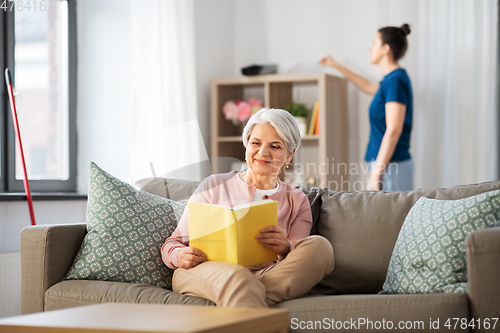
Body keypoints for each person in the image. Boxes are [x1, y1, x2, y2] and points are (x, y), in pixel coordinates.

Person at [161, 108, 334, 308]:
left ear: (289, 154)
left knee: (320, 248)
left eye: (275, 146)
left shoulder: (297, 200)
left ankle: (245, 295)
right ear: (246, 146)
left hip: (265, 274)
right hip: (204, 271)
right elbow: (171, 244)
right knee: (237, 277)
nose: (263, 152)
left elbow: (298, 254)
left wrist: (286, 247)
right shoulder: (213, 185)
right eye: (256, 143)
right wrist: (179, 255)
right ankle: (247, 292)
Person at [320, 24, 414, 191]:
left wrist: (376, 174)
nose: (370, 48)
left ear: (385, 48)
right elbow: (368, 86)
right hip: (387, 165)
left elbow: (394, 130)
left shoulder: (395, 80)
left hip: (391, 166)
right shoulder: (389, 80)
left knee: (391, 217)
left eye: (374, 43)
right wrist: (337, 66)